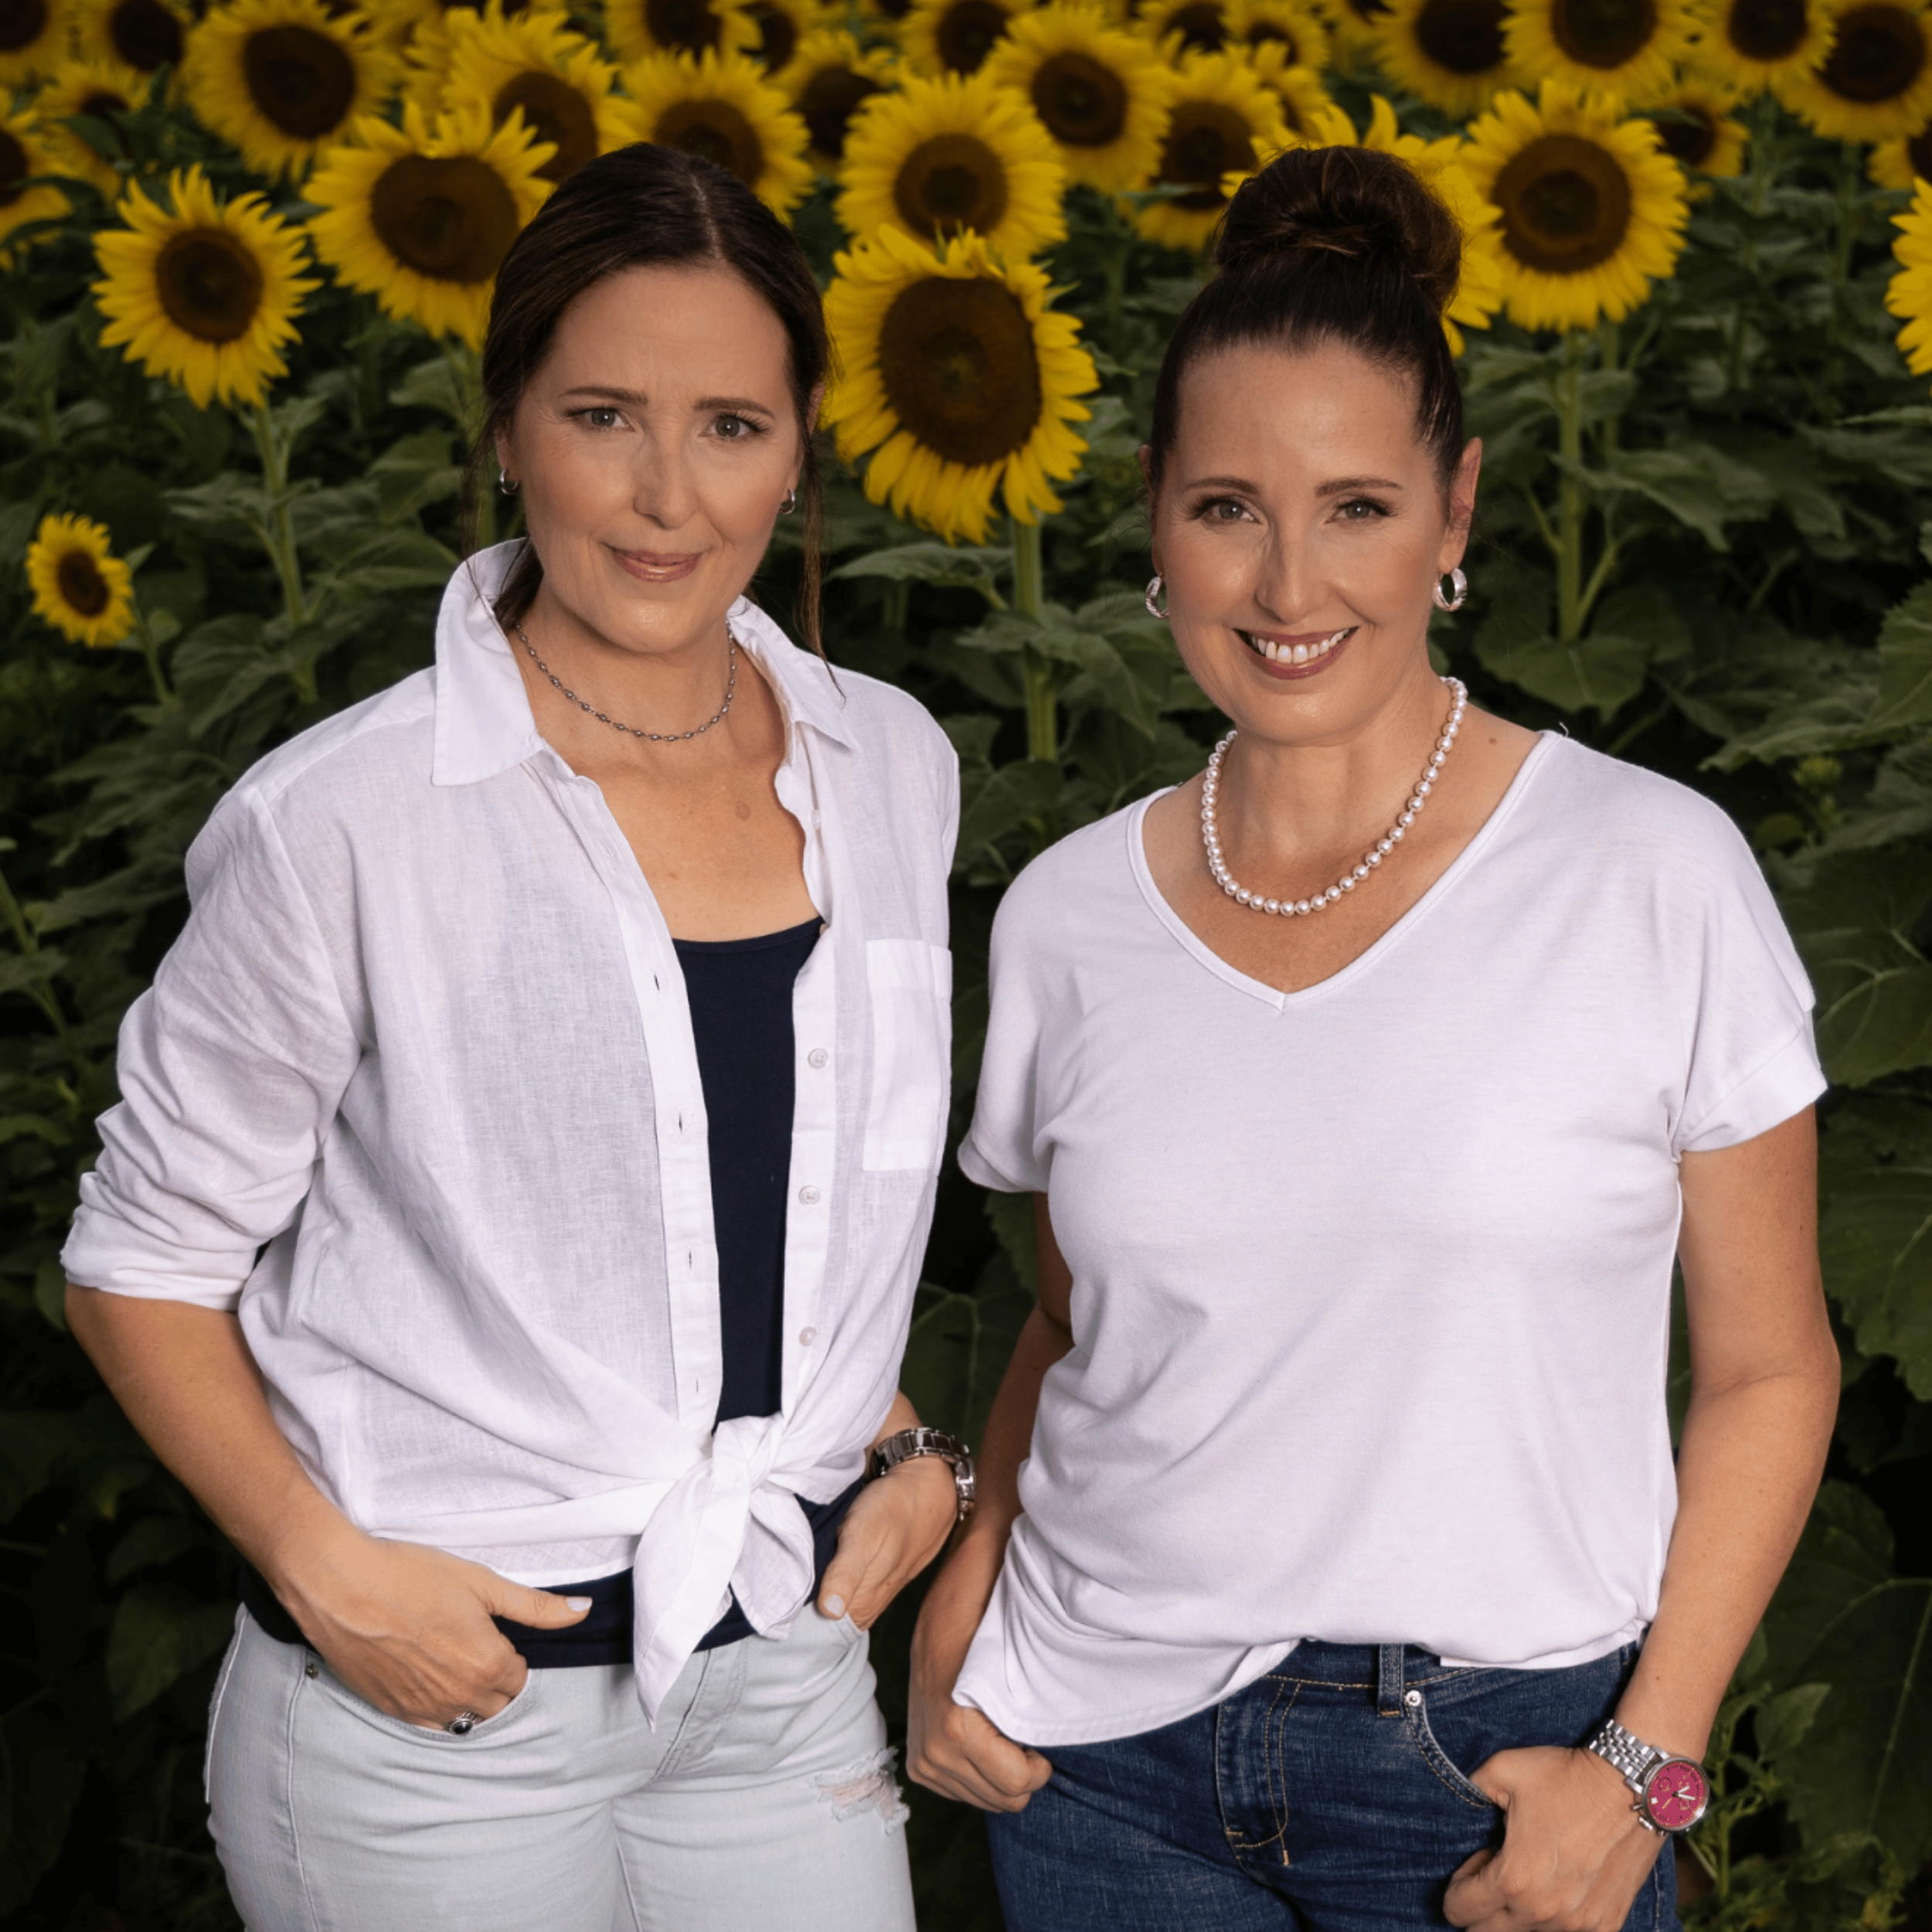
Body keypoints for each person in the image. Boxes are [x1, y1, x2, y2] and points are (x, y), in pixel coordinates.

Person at [908, 144, 1841, 1932]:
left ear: (1455, 509)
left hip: (1497, 1781)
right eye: (1224, 507)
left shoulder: (1647, 871)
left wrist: (1647, 1768)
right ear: (1149, 511)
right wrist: (970, 1572)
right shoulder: (1067, 914)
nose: (1283, 583)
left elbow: (1767, 1371)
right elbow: (1064, 1321)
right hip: (1096, 1767)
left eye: (1352, 506)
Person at [62, 144, 966, 1932]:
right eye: (602, 411)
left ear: (799, 453)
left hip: (778, 1673)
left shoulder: (894, 767)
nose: (663, 492)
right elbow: (139, 1260)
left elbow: (784, 1201)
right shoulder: (350, 815)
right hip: (435, 1718)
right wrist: (325, 1567)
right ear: (503, 426)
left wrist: (914, 1453)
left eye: (729, 425)